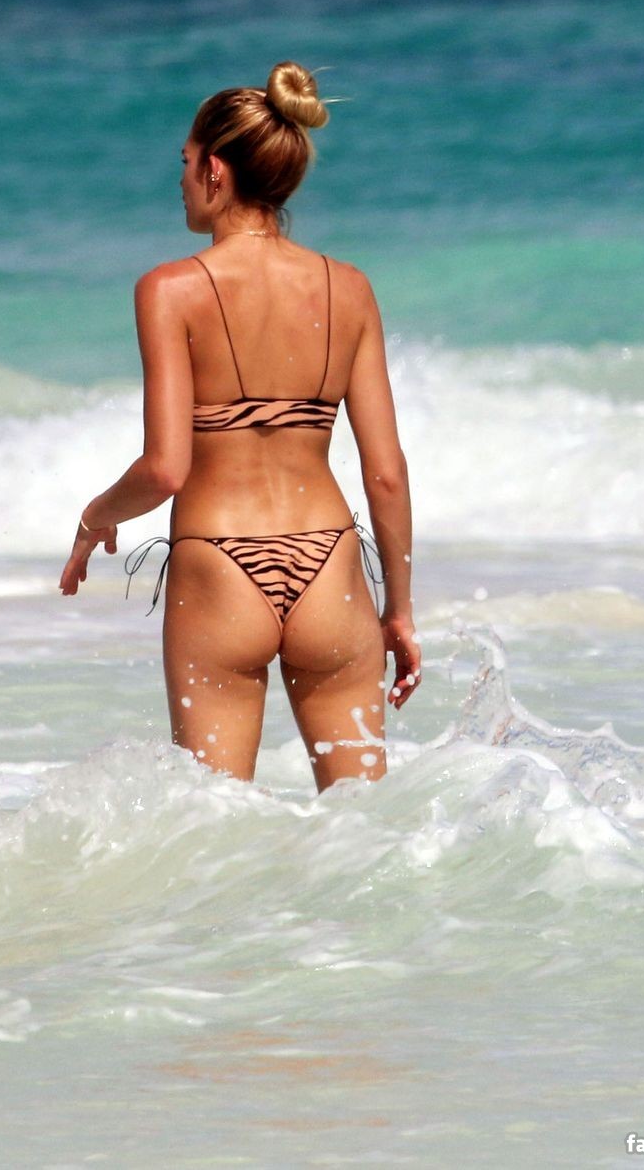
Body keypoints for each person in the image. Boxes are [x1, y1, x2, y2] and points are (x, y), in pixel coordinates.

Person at [60, 63, 419, 790]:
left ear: (215, 169)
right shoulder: (350, 288)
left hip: (220, 567)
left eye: (186, 161)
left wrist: (96, 517)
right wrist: (400, 611)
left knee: (214, 829)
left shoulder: (169, 290)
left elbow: (165, 468)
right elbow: (385, 472)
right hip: (330, 565)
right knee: (366, 830)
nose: (182, 179)